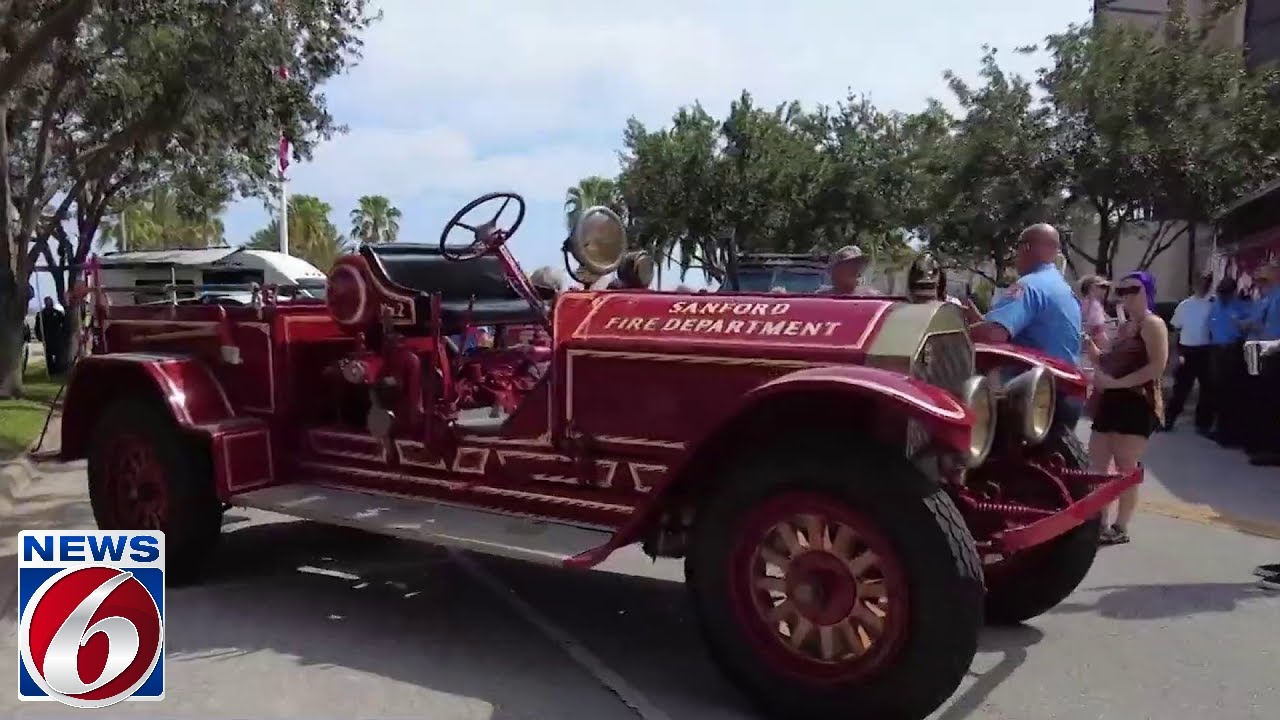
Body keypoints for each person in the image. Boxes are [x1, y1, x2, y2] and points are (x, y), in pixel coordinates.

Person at [1081, 271, 1168, 545]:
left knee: (1125, 468)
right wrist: (1090, 347)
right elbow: (1106, 361)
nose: (1127, 296)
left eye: (1134, 289)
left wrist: (1118, 384)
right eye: (1123, 290)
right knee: (1096, 466)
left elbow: (1157, 367)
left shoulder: (1153, 324)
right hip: (1111, 402)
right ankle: (1098, 522)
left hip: (1137, 403)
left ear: (1147, 292)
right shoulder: (1124, 327)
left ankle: (1120, 527)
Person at [966, 223, 1084, 424]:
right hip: (1065, 394)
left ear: (1027, 248)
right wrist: (979, 322)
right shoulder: (1061, 288)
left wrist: (957, 334)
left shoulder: (1029, 285)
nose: (1015, 254)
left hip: (1033, 397)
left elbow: (994, 335)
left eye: (1018, 247)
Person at [1163, 273, 1215, 433]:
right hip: (1187, 350)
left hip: (1206, 350)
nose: (1202, 286)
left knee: (1207, 389)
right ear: (1193, 285)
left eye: (1205, 283)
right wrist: (1173, 353)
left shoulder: (1213, 304)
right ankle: (1168, 421)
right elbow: (1175, 329)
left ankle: (1203, 424)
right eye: (1199, 282)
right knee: (1181, 388)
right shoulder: (1185, 305)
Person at [1240, 262, 1280, 466]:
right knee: (1259, 400)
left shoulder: (1277, 298)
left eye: (1265, 274)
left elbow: (1271, 327)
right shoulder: (1265, 298)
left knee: (1270, 402)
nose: (1259, 279)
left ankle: (1271, 449)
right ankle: (1259, 444)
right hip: (1258, 351)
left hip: (1273, 352)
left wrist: (1257, 326)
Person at [1206, 276, 1251, 447]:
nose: (1223, 296)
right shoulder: (1216, 305)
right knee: (1217, 390)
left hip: (1233, 350)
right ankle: (1220, 429)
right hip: (1217, 350)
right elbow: (1211, 326)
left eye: (1226, 293)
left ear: (1233, 292)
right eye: (1221, 292)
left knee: (1231, 392)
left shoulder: (1242, 306)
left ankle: (1231, 434)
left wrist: (1239, 323)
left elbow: (1248, 328)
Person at [34, 296, 67, 375]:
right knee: (48, 355)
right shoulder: (41, 314)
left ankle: (58, 369)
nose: (49, 304)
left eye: (50, 302)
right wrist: (39, 336)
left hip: (57, 337)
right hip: (47, 337)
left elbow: (64, 324)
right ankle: (50, 370)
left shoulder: (58, 313)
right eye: (48, 302)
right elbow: (37, 327)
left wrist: (62, 334)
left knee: (58, 354)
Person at [1078, 275, 1112, 351]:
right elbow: (1095, 326)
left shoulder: (1083, 303)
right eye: (1102, 287)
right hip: (1096, 340)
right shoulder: (1094, 305)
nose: (1105, 290)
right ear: (1092, 288)